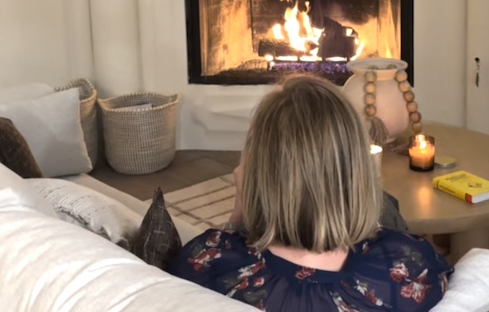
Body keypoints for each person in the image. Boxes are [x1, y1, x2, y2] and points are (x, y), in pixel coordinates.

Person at [168, 74, 453, 311]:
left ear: (256, 175)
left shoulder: (208, 262)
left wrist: (239, 214)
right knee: (387, 205)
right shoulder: (409, 268)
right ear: (358, 175)